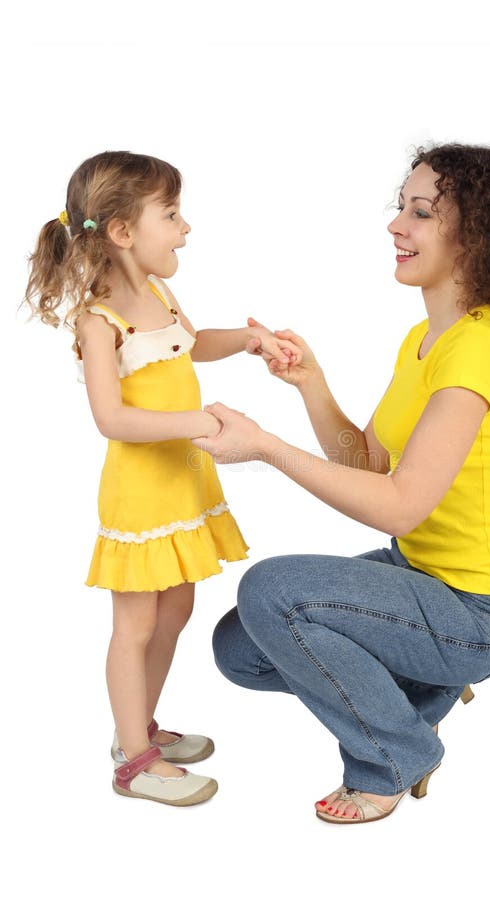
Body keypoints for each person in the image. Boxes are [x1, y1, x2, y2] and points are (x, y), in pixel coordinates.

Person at [200, 143, 490, 824]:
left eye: (421, 212)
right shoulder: (425, 339)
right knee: (239, 650)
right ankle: (425, 687)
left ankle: (396, 754)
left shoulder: (477, 350)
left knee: (270, 592)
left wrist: (264, 448)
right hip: (418, 579)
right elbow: (366, 463)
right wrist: (311, 384)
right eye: (401, 208)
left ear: (477, 234)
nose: (396, 225)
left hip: (476, 615)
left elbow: (400, 506)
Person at [22, 150, 300, 807]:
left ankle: (138, 725)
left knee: (176, 606)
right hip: (142, 495)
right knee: (136, 625)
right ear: (122, 231)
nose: (185, 228)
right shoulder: (100, 320)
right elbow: (111, 418)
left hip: (183, 482)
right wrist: (198, 421)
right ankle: (133, 763)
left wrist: (248, 340)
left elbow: (190, 343)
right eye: (171, 215)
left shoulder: (158, 293)